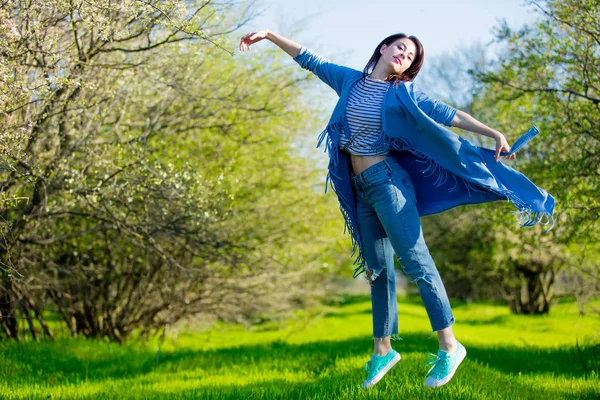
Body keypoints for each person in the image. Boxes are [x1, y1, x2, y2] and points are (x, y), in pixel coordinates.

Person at [239, 29, 554, 390]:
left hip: (389, 183)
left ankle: (451, 346)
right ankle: (383, 351)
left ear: (410, 67)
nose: (404, 55)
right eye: (400, 47)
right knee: (377, 272)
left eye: (411, 55)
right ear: (384, 48)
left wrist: (493, 132)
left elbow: (450, 115)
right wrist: (269, 35)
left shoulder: (404, 94)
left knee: (417, 263)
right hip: (359, 190)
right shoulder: (349, 81)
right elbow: (310, 59)